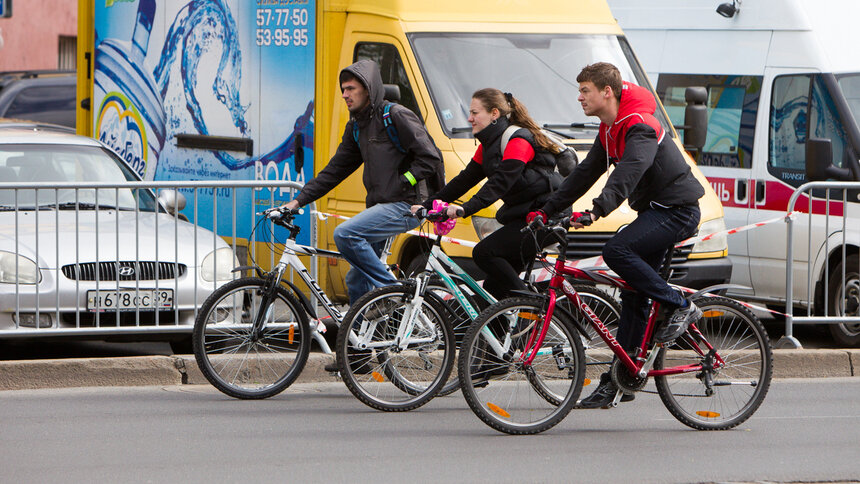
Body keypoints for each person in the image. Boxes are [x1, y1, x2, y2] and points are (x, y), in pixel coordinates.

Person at [529, 62, 705, 409]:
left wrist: (597, 210)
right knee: (633, 298)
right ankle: (619, 381)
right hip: (655, 210)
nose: (579, 97)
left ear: (606, 92)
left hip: (678, 210)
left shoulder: (639, 125)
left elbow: (629, 171)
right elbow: (584, 173)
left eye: (585, 91)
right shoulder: (609, 129)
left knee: (617, 251)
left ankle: (680, 305)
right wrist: (546, 210)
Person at [279, 59, 443, 304]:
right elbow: (334, 171)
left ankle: (394, 292)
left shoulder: (395, 116)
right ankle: (358, 340)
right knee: (357, 281)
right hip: (380, 207)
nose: (345, 94)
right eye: (343, 89)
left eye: (351, 89)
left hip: (407, 205)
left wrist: (404, 181)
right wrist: (297, 201)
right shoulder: (357, 126)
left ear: (368, 88)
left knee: (345, 234)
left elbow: (431, 158)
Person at [413, 88, 566, 300]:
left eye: (475, 113)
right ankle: (504, 328)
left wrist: (465, 209)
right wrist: (427, 204)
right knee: (494, 291)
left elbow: (500, 183)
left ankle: (532, 303)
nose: (469, 118)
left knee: (484, 252)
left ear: (494, 113)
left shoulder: (517, 140)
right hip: (524, 217)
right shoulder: (487, 146)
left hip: (545, 217)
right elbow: (464, 180)